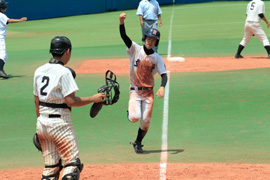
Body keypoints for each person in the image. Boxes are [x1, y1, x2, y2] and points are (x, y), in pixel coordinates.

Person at [33, 36, 105, 180]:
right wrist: (94, 98)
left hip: (42, 124)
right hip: (60, 125)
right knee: (72, 166)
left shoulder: (39, 71)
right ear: (67, 51)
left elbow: (36, 101)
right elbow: (71, 101)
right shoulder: (64, 72)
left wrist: (41, 124)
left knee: (51, 169)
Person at [119, 13, 167, 153]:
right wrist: (121, 22)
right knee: (135, 117)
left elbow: (164, 74)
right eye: (148, 38)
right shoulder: (135, 49)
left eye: (153, 39)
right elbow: (124, 37)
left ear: (156, 42)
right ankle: (130, 113)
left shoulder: (156, 58)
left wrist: (162, 87)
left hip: (148, 93)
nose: (150, 41)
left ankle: (138, 142)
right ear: (144, 38)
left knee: (145, 121)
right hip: (135, 91)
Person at [0, 0, 27, 79]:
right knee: (3, 55)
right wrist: (20, 20)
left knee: (4, 56)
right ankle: (0, 70)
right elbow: (9, 21)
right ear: (2, 8)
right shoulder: (1, 15)